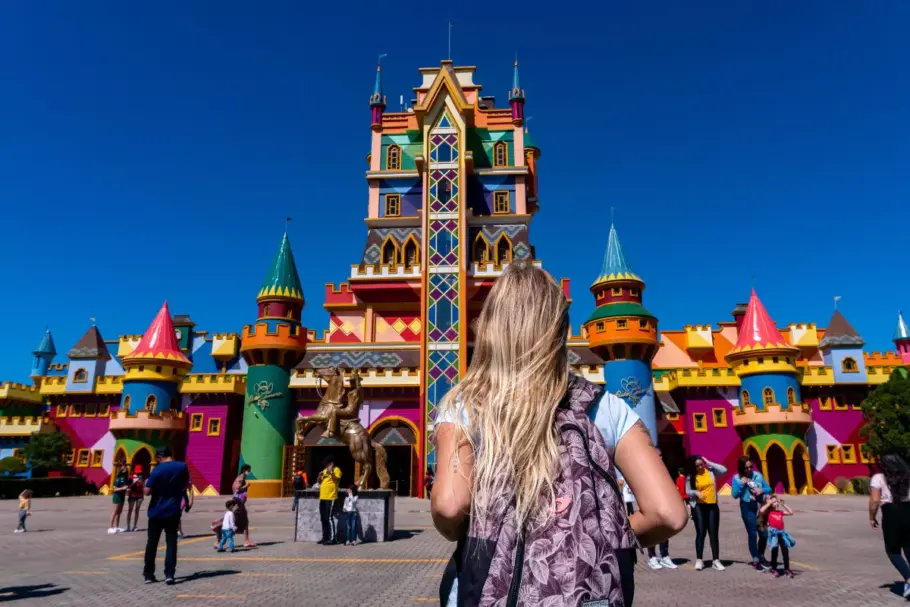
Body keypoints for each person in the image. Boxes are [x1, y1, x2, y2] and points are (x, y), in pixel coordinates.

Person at [432, 265, 687, 606]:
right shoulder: (605, 407)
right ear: (562, 328)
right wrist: (599, 538)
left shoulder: (465, 405)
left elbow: (450, 507)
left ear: (490, 326)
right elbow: (668, 513)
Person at [142, 445, 192, 585]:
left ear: (159, 457)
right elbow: (186, 485)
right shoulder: (182, 466)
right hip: (173, 510)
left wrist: (144, 483)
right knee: (171, 543)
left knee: (152, 543)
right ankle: (169, 574)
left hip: (156, 511)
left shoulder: (157, 470)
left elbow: (147, 492)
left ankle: (148, 574)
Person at [870, 453, 910, 598]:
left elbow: (875, 501)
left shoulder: (878, 478)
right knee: (908, 545)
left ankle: (909, 579)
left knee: (893, 550)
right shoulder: (908, 475)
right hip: (908, 509)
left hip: (891, 513)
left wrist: (872, 517)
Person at [686, 454, 728, 571]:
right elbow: (687, 490)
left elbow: (724, 470)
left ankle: (716, 560)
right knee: (701, 532)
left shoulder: (710, 471)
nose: (700, 467)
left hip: (712, 505)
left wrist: (708, 461)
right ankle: (699, 560)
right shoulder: (691, 476)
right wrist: (696, 493)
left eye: (701, 464)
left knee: (713, 533)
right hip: (698, 506)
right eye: (697, 465)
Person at [731, 455, 772, 570]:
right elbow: (734, 495)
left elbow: (769, 488)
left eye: (751, 467)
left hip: (760, 507)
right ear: (741, 469)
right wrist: (741, 484)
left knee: (764, 534)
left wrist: (762, 490)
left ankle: (761, 555)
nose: (749, 470)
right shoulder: (737, 478)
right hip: (747, 507)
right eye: (746, 468)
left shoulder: (758, 476)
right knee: (753, 534)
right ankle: (756, 559)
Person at [759, 494, 795, 578]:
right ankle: (774, 569)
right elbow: (761, 510)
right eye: (774, 502)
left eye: (776, 502)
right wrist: (768, 503)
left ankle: (787, 569)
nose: (776, 503)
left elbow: (791, 512)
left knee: (785, 552)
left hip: (781, 534)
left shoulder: (779, 512)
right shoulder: (768, 512)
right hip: (773, 535)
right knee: (774, 552)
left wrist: (783, 504)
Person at [317, 457, 342, 545]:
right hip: (322, 497)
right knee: (323, 518)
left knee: (329, 517)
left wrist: (331, 471)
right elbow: (320, 482)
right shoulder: (324, 470)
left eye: (327, 464)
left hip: (331, 497)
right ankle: (325, 537)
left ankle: (333, 538)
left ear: (332, 463)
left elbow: (336, 480)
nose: (326, 465)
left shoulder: (336, 470)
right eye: (325, 464)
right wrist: (319, 476)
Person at [233, 465, 255, 548]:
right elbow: (237, 489)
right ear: (244, 470)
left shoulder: (240, 478)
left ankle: (246, 540)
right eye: (248, 470)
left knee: (244, 521)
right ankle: (218, 540)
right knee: (235, 522)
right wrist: (247, 485)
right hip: (238, 503)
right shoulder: (241, 478)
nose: (249, 472)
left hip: (239, 503)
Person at [108, 466, 130, 534]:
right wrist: (123, 488)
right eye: (123, 469)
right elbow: (115, 489)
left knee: (119, 513)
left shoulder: (125, 479)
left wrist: (127, 489)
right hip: (117, 497)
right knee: (115, 512)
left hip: (122, 497)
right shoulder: (118, 479)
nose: (125, 471)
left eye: (126, 470)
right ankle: (111, 527)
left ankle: (117, 526)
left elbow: (125, 487)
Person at [126, 467, 145, 532]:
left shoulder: (141, 477)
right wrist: (134, 481)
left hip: (140, 495)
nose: (138, 473)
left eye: (139, 472)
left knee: (137, 510)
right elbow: (128, 487)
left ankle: (135, 526)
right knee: (130, 510)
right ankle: (128, 526)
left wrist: (141, 482)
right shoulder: (130, 477)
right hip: (132, 495)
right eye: (137, 472)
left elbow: (143, 486)